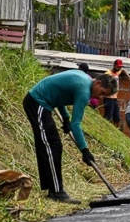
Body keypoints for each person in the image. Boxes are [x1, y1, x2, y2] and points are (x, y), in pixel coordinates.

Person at [23, 70, 118, 204]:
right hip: (37, 102)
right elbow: (76, 124)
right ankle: (56, 192)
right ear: (98, 82)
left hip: (42, 104)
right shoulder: (84, 92)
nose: (101, 97)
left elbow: (60, 93)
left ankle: (52, 189)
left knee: (50, 145)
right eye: (102, 92)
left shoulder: (85, 80)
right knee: (51, 146)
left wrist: (66, 118)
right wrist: (84, 150)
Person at [103, 59, 130, 128]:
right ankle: (106, 130)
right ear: (114, 65)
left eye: (120, 67)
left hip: (114, 98)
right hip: (108, 98)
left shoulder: (117, 73)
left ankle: (115, 130)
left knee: (117, 117)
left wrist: (128, 76)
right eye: (118, 67)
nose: (119, 68)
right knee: (108, 117)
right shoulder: (107, 74)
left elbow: (123, 71)